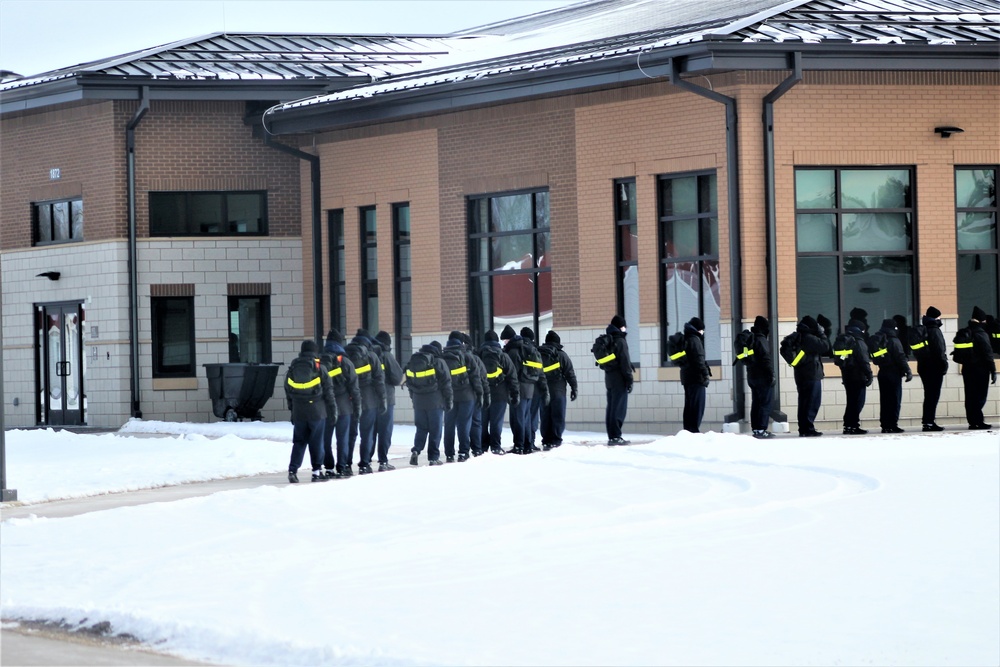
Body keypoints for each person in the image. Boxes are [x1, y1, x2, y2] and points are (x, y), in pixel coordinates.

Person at [284, 339, 336, 483]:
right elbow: (329, 392)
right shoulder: (319, 367)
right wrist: (332, 411)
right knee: (316, 442)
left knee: (299, 442)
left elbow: (287, 390)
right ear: (315, 351)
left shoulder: (293, 367)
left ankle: (293, 470)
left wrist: (292, 409)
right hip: (317, 412)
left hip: (299, 410)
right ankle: (316, 472)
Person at [345, 329, 387, 475]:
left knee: (349, 434)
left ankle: (346, 465)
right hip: (369, 400)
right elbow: (379, 381)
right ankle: (364, 464)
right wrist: (382, 400)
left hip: (349, 400)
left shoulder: (344, 355)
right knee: (367, 434)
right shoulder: (372, 356)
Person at [321, 329, 361, 478]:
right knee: (342, 438)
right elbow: (354, 389)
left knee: (325, 439)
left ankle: (329, 467)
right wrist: (357, 409)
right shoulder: (346, 362)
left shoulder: (320, 361)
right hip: (344, 408)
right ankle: (342, 467)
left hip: (325, 408)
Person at [407, 341, 453, 465]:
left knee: (421, 428)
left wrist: (414, 398)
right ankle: (433, 457)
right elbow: (447, 384)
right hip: (435, 402)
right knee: (435, 429)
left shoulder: (413, 362)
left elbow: (409, 382)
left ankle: (416, 450)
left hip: (418, 402)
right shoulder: (438, 362)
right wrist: (448, 401)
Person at [441, 333, 485, 462]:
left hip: (449, 397)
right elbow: (476, 377)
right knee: (464, 424)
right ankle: (463, 452)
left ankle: (449, 454)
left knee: (449, 425)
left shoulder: (442, 358)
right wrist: (480, 393)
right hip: (467, 396)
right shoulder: (467, 356)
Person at [479, 330, 519, 455]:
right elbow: (512, 376)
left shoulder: (479, 354)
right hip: (500, 393)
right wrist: (515, 393)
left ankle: (483, 447)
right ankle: (496, 446)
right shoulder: (503, 355)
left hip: (483, 393)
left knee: (483, 421)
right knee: (496, 421)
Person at [538, 330, 578, 449]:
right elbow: (570, 373)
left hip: (543, 389)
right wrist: (574, 388)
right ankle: (555, 439)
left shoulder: (538, 354)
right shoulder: (561, 355)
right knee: (558, 414)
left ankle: (546, 439)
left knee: (545, 414)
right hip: (558, 390)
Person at [792, 315, 830, 437]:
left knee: (803, 402)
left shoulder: (800, 336)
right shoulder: (809, 338)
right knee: (812, 402)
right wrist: (821, 333)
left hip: (801, 374)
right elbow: (825, 346)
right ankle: (808, 428)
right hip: (811, 374)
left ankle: (803, 428)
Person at [873, 318, 912, 433]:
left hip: (882, 372)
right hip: (893, 373)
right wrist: (908, 371)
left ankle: (885, 425)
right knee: (895, 400)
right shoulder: (894, 340)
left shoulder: (879, 339)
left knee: (884, 400)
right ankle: (892, 424)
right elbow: (900, 357)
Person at [374, 331, 405, 471]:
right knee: (385, 431)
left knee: (370, 432)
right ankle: (383, 461)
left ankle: (366, 462)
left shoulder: (368, 354)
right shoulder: (387, 356)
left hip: (369, 400)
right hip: (386, 398)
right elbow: (398, 377)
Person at [962, 306, 997, 430]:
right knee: (980, 395)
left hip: (967, 369)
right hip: (980, 369)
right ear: (982, 320)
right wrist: (993, 370)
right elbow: (988, 353)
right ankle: (978, 421)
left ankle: (972, 421)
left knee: (970, 395)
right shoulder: (981, 333)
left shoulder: (966, 331)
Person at [602, 315, 634, 445]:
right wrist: (629, 379)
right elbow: (625, 363)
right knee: (619, 408)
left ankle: (612, 435)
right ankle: (616, 436)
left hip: (609, 378)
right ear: (621, 327)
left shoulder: (609, 340)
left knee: (611, 407)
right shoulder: (620, 341)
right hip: (619, 379)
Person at [839, 319, 873, 435]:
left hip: (847, 376)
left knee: (851, 402)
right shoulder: (859, 341)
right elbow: (864, 360)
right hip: (858, 377)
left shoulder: (846, 340)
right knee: (858, 402)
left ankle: (848, 426)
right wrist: (869, 374)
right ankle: (853, 425)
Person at [918, 307, 948, 431]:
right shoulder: (934, 330)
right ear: (936, 318)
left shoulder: (924, 329)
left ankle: (928, 421)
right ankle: (929, 422)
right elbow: (939, 350)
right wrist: (944, 365)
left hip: (924, 366)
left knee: (929, 394)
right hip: (934, 367)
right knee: (933, 395)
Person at [519, 327, 549, 453]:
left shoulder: (519, 349)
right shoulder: (534, 351)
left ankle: (526, 442)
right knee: (533, 417)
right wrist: (545, 390)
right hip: (535, 388)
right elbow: (541, 374)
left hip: (523, 387)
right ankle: (531, 442)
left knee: (524, 416)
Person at [461, 332, 491, 456]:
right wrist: (485, 394)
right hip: (473, 394)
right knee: (476, 422)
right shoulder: (475, 358)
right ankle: (477, 448)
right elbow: (483, 378)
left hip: (457, 396)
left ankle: (463, 450)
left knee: (462, 423)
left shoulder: (452, 356)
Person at [746, 316, 775, 439]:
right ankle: (761, 429)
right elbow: (766, 358)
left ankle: (756, 428)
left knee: (756, 403)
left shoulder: (750, 339)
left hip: (752, 376)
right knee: (765, 403)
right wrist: (771, 374)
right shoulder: (761, 339)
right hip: (762, 376)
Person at [680, 316, 711, 433]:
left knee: (689, 405)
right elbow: (699, 360)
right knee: (697, 406)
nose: (703, 332)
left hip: (687, 378)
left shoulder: (686, 338)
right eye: (702, 330)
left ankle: (688, 430)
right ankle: (693, 430)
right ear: (698, 329)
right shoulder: (695, 340)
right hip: (696, 378)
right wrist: (705, 375)